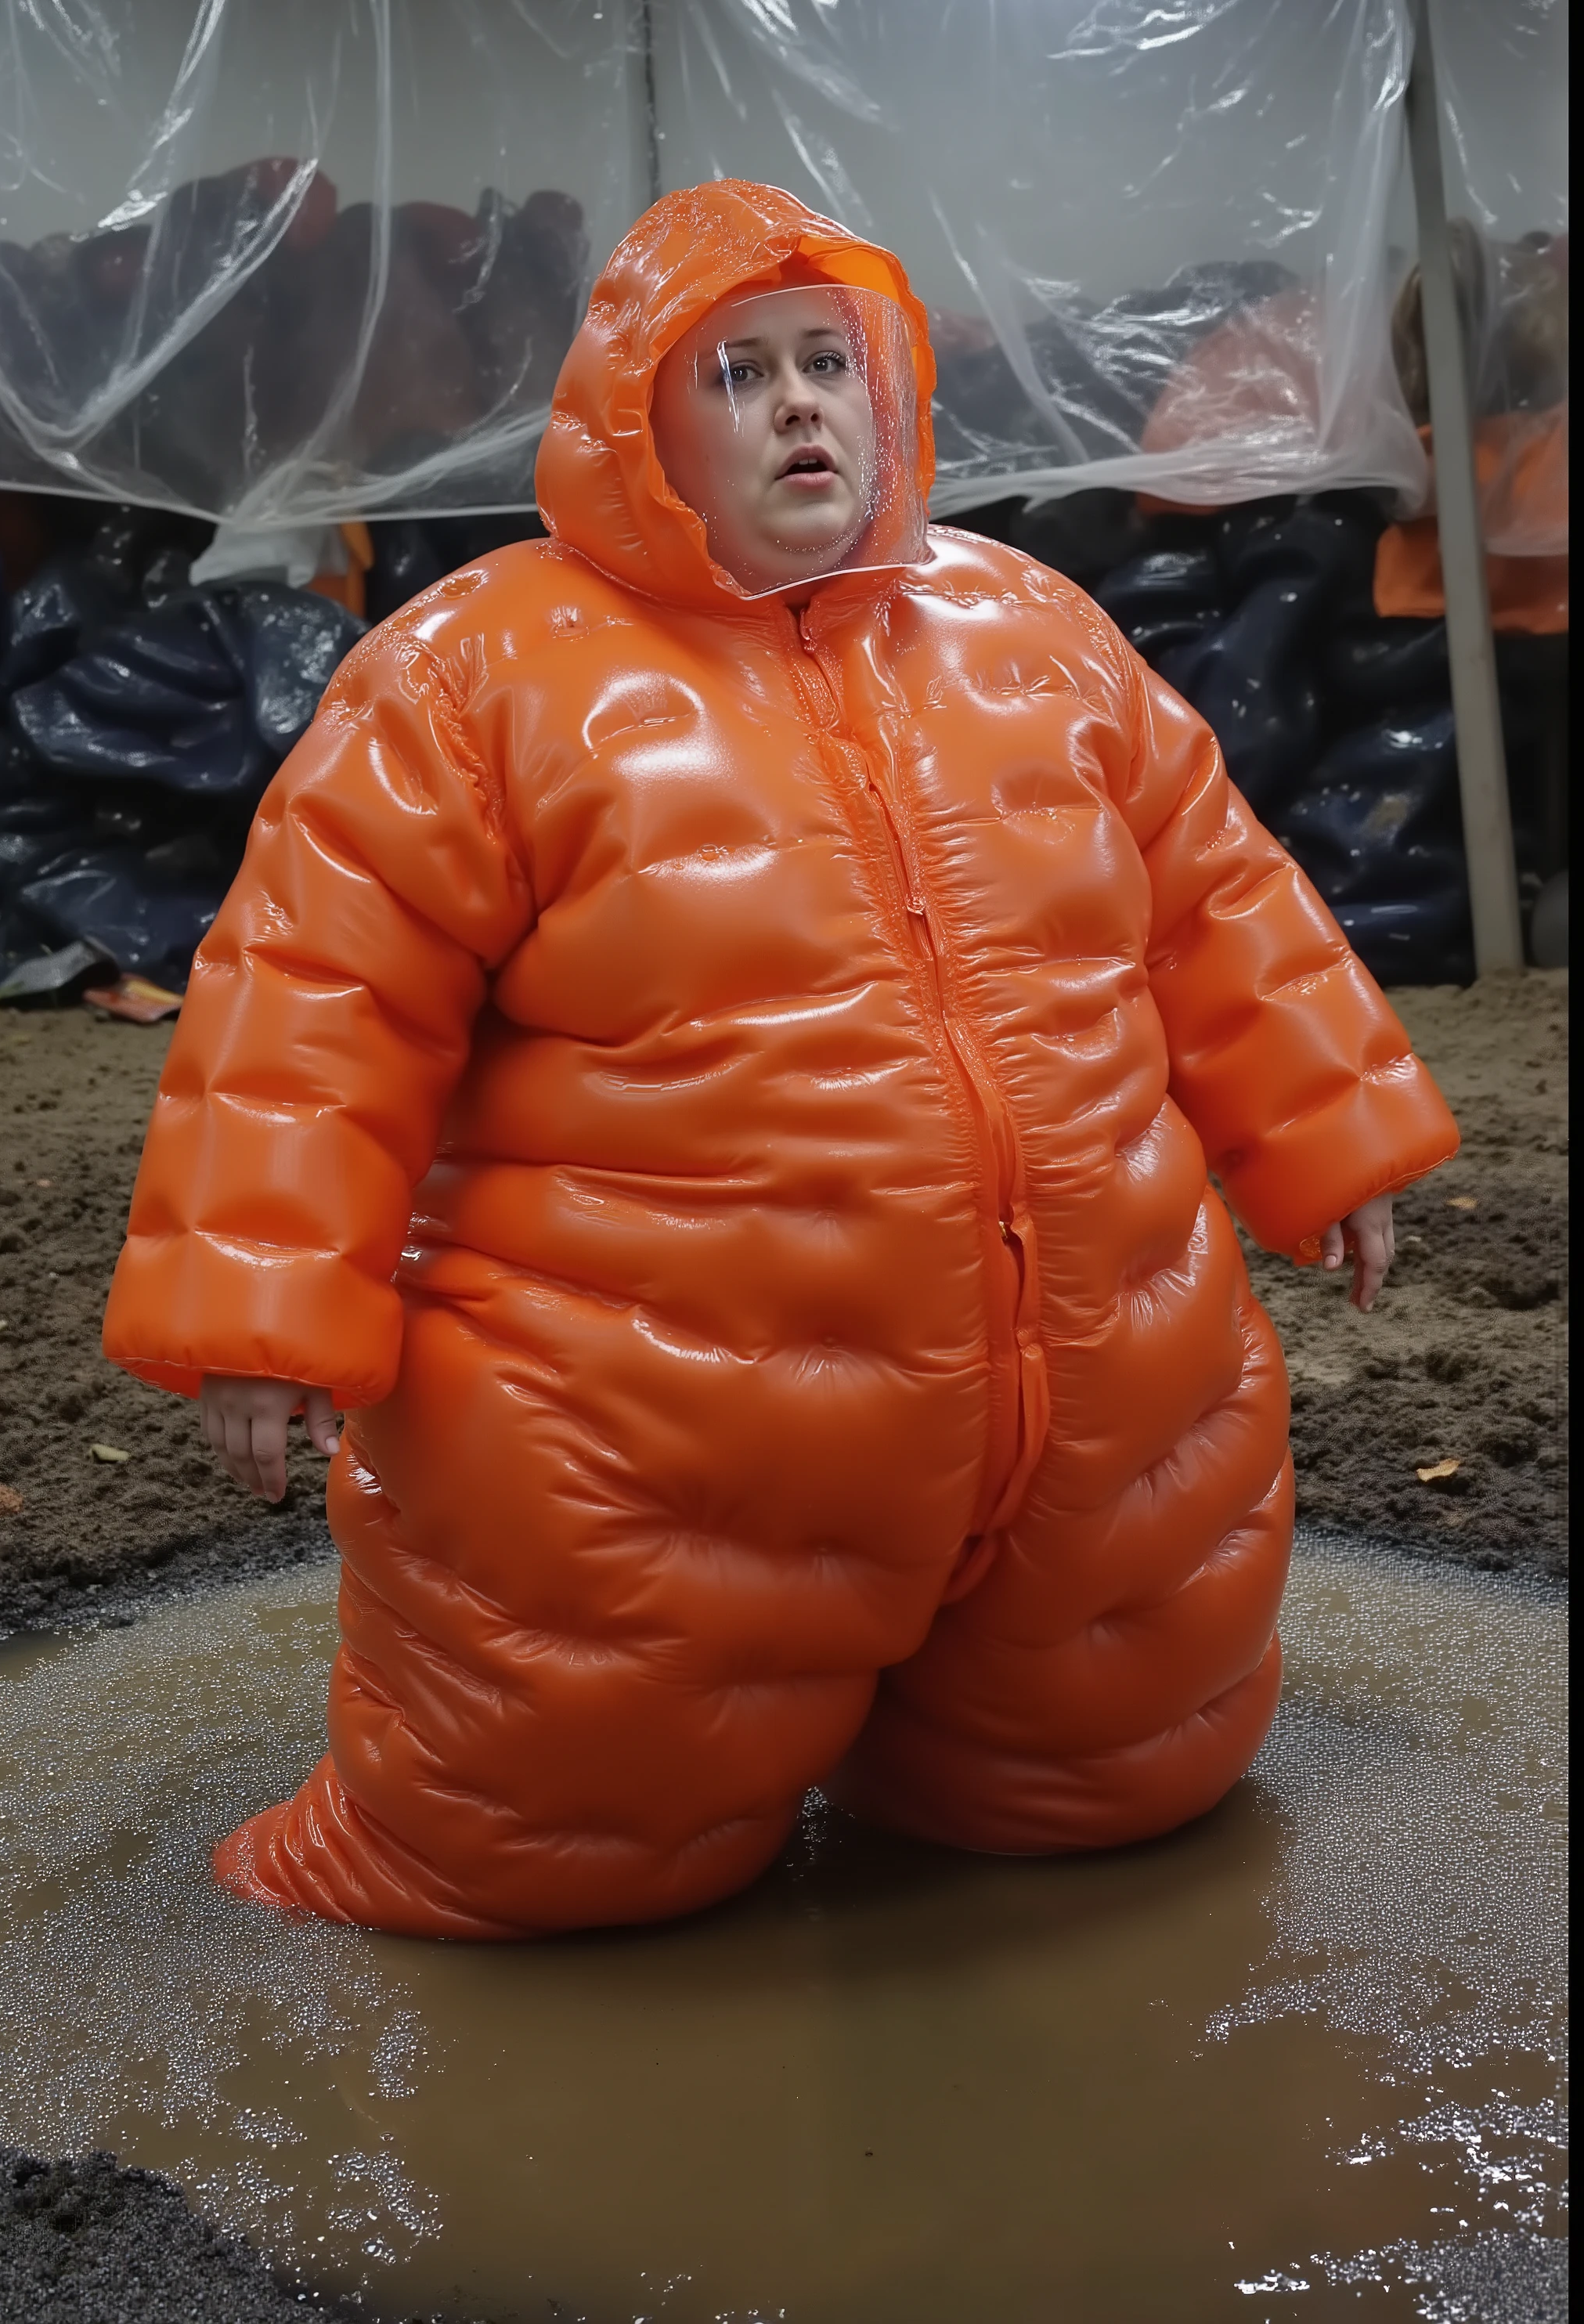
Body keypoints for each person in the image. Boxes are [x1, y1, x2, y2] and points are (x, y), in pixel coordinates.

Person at [103, 182, 1459, 1940]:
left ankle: (988, 1762)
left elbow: (1210, 898)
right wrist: (256, 1311)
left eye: (831, 361)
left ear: (892, 396)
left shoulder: (1030, 629)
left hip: (1101, 1386)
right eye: (738, 374)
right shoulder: (469, 682)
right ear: (634, 421)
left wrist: (1332, 1136)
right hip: (648, 1426)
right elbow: (312, 1005)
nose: (801, 403)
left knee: (1123, 1767)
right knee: (559, 1822)